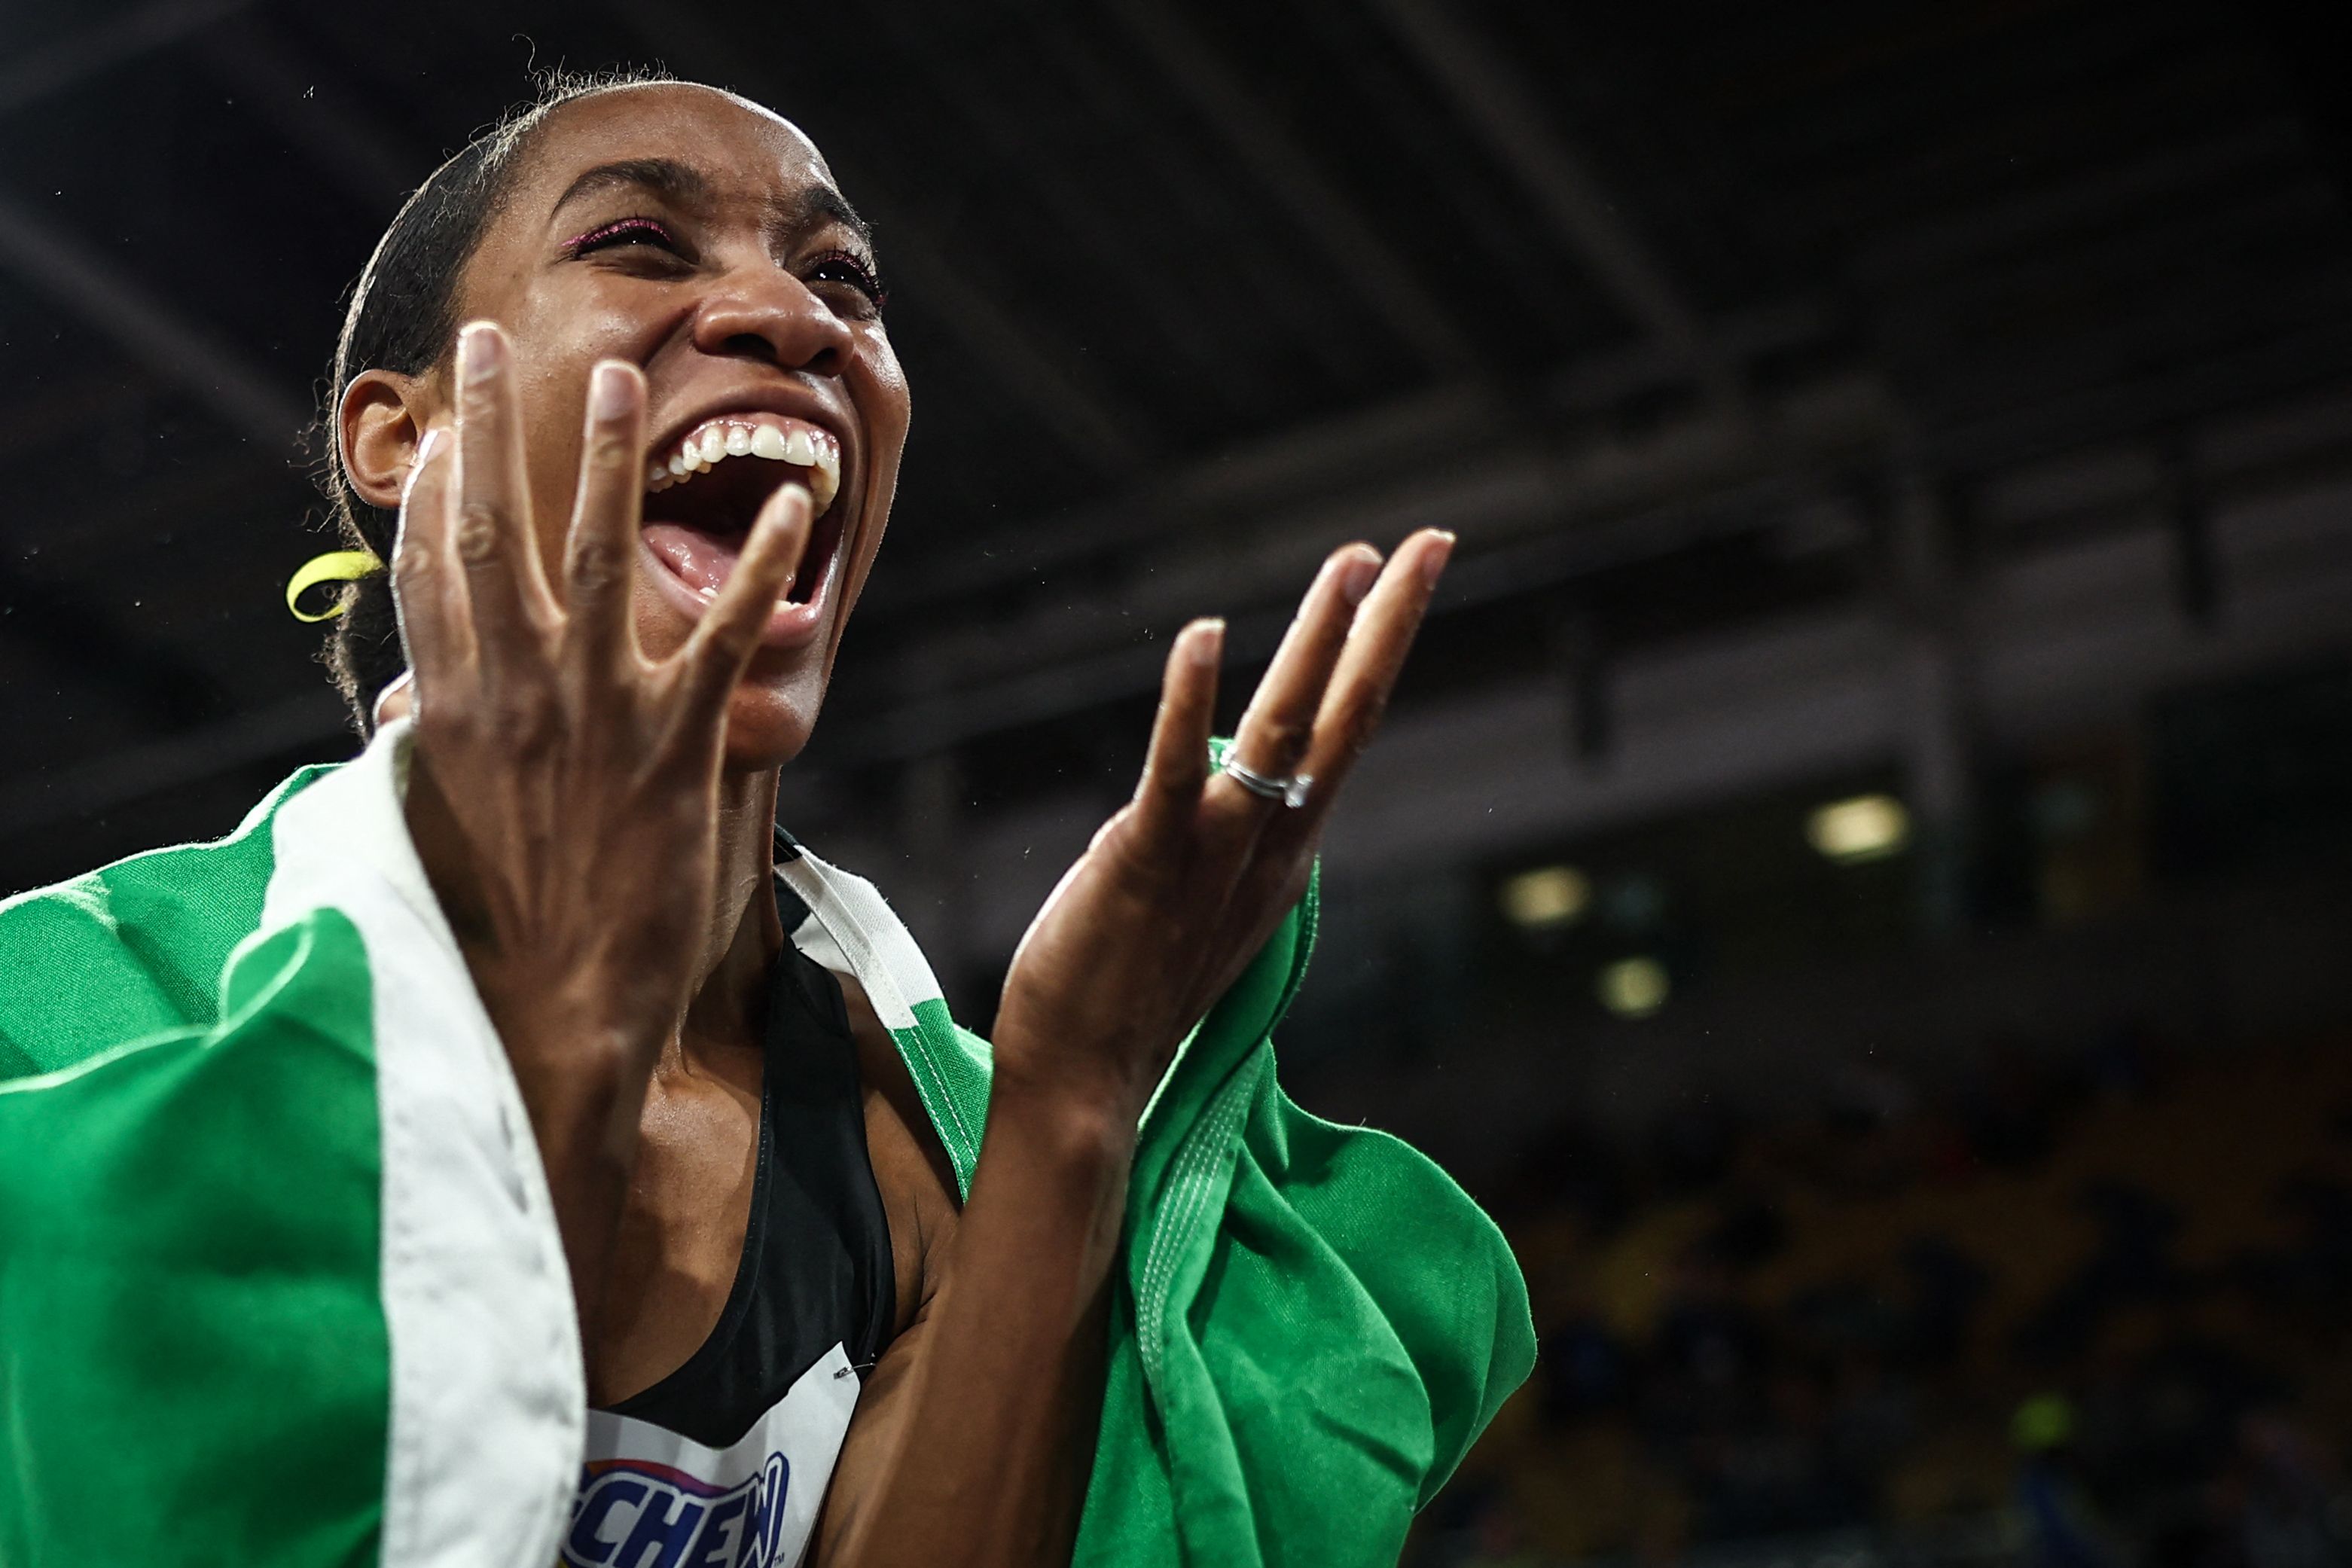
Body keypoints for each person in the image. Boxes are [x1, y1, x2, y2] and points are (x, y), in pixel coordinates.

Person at [0, 72, 1531, 1568]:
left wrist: (1078, 1097)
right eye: (639, 245)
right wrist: (552, 1032)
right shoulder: (64, 1018)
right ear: (398, 437)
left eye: (840, 280)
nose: (795, 318)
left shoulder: (916, 1137)